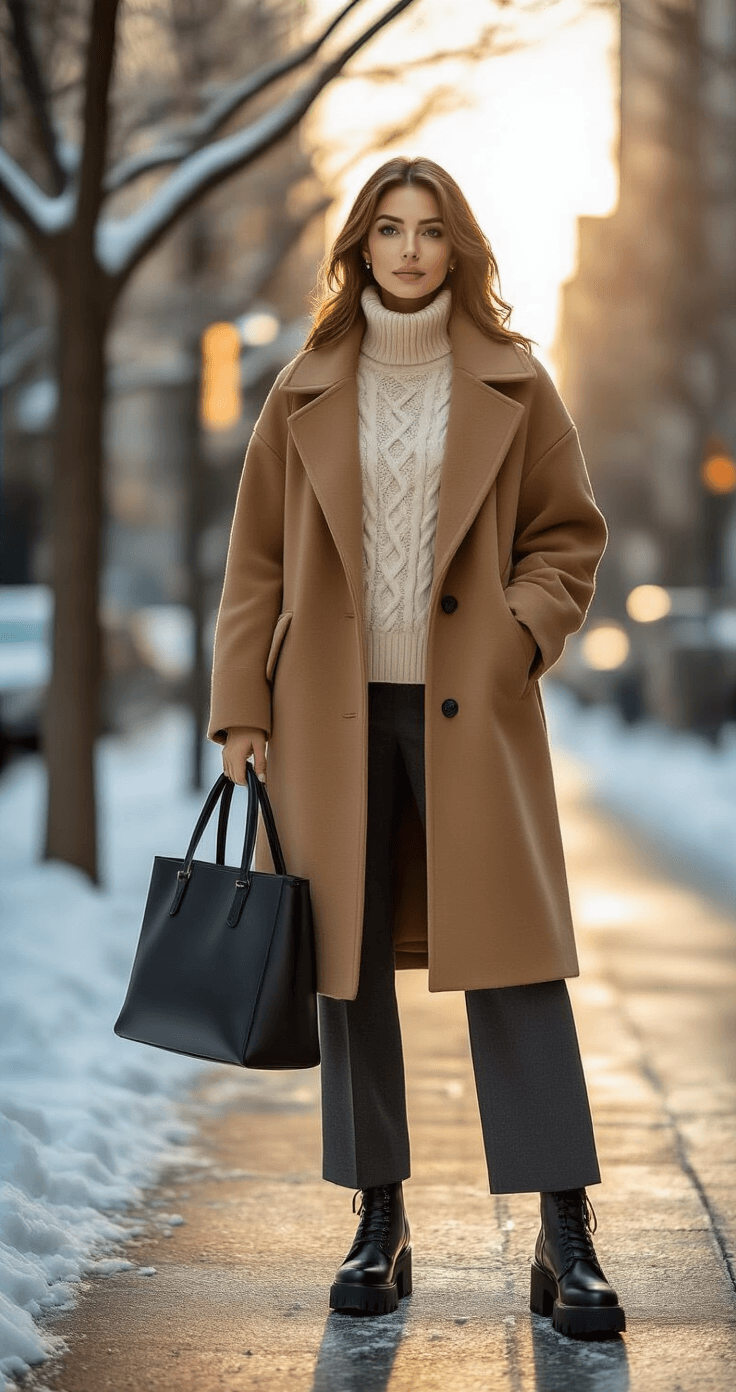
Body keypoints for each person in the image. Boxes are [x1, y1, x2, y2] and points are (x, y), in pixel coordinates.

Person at [207, 156, 625, 1340]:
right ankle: (377, 1218)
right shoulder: (301, 389)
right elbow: (256, 568)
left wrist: (516, 636)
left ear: (458, 249)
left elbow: (567, 536)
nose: (406, 250)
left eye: (428, 231)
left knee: (515, 962)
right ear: (359, 247)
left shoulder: (514, 380)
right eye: (387, 229)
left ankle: (564, 1228)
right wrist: (244, 708)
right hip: (329, 717)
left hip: (470, 712)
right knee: (345, 972)